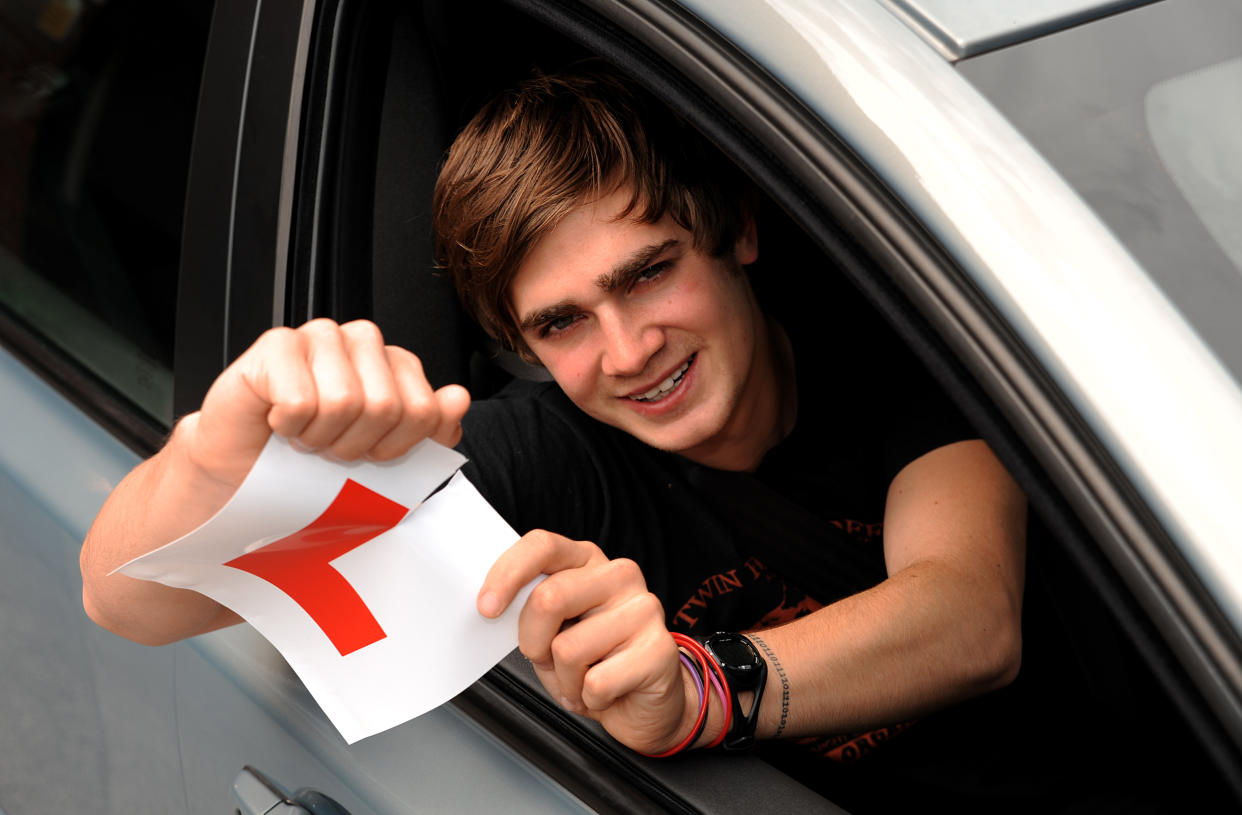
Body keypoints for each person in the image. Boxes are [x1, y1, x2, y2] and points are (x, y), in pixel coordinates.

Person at [81, 66, 1027, 807]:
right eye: (561, 323)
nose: (629, 351)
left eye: (649, 273)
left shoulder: (889, 349)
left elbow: (968, 613)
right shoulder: (539, 456)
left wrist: (696, 689)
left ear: (736, 229)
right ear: (521, 345)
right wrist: (215, 448)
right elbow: (132, 601)